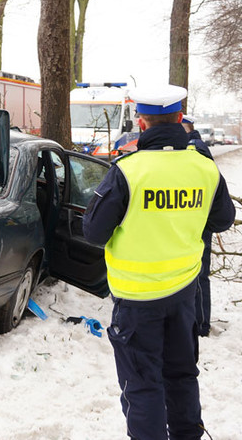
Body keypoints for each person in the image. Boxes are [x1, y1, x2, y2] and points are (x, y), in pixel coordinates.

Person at [82, 85, 235, 439]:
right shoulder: (204, 169)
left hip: (136, 302)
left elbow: (93, 232)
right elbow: (222, 220)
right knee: (182, 375)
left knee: (142, 384)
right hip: (183, 294)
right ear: (180, 119)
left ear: (141, 123)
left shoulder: (127, 170)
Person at [181, 114, 214, 337]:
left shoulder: (195, 148)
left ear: (186, 127)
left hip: (200, 220)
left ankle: (202, 324)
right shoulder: (192, 146)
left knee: (200, 273)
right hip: (197, 218)